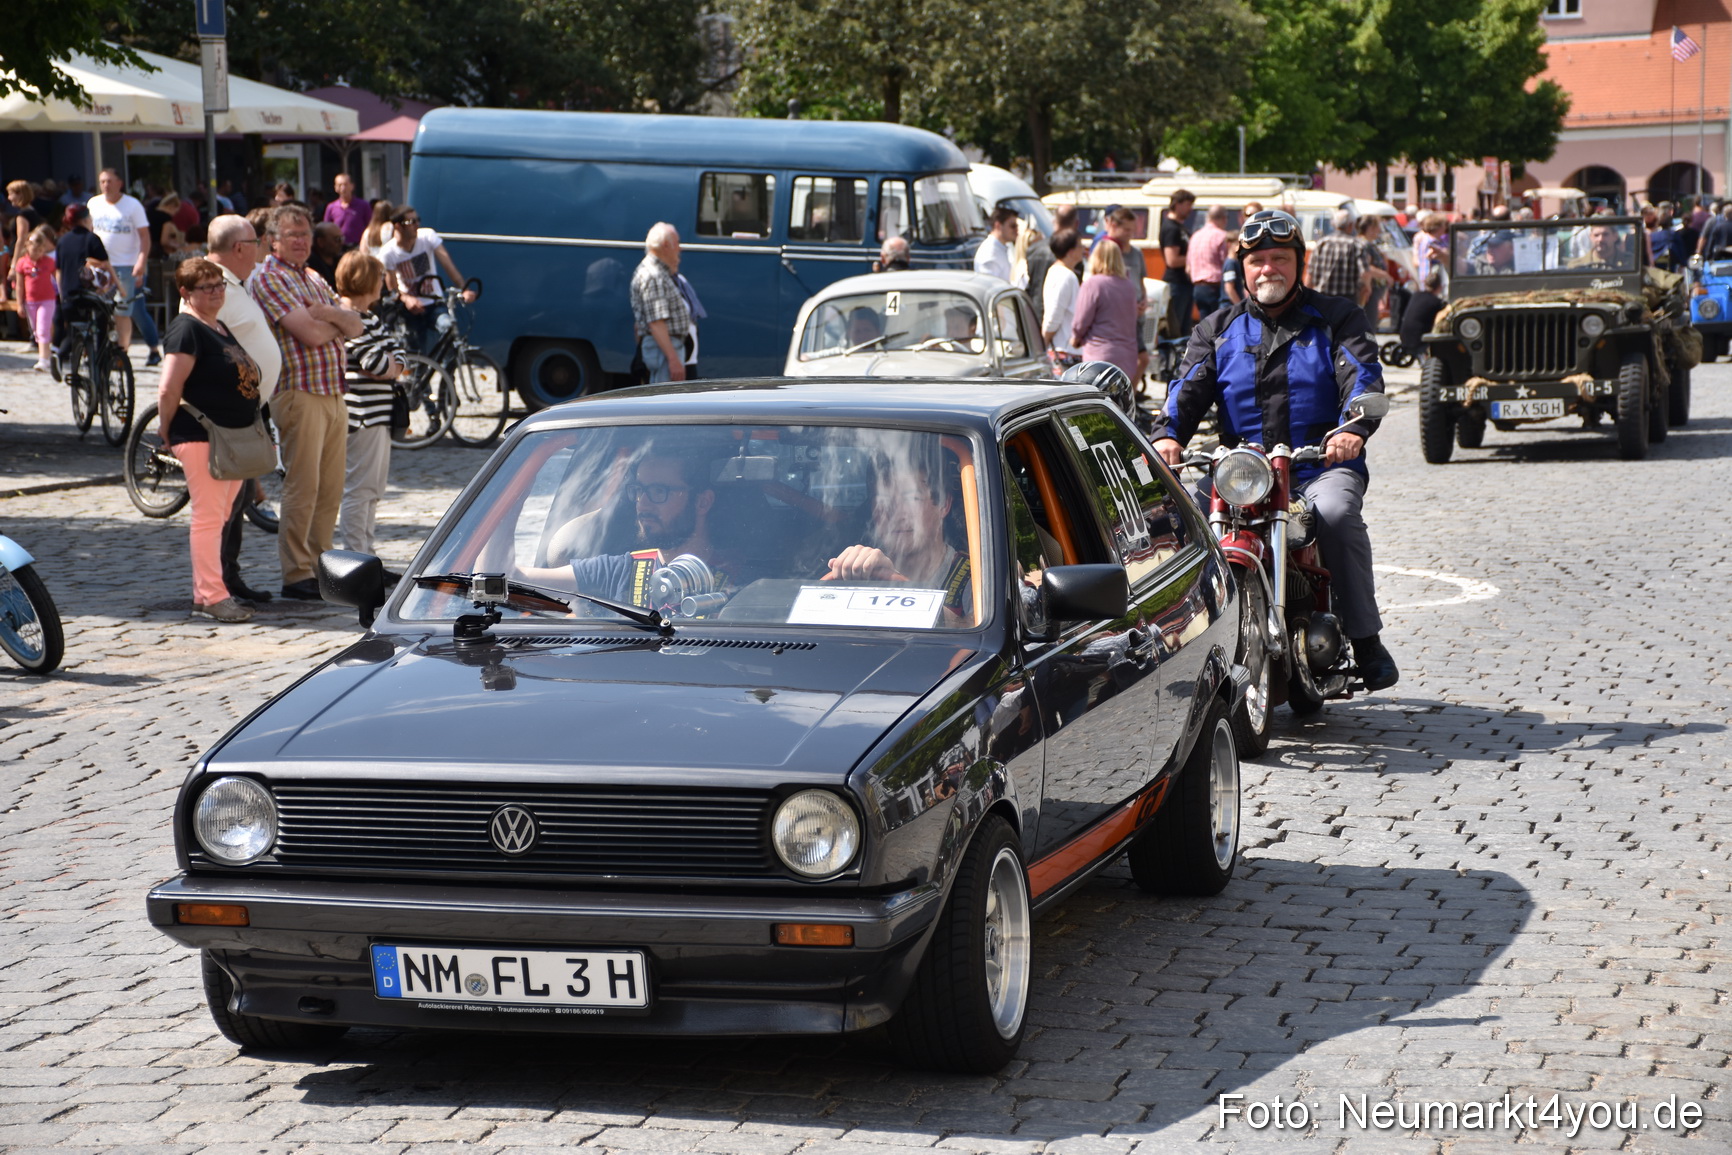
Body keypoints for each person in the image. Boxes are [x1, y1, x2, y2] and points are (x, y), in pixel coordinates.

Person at [1150, 209, 1396, 691]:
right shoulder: (1216, 329)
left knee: (1338, 514)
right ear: (1242, 269)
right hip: (1241, 475)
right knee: (1172, 524)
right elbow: (1186, 389)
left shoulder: (1339, 318)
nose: (1268, 269)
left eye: (1279, 258)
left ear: (1298, 262)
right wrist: (1167, 434)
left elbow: (1362, 378)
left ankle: (1367, 640)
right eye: (1257, 261)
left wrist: (1354, 429)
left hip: (1318, 465)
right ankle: (1171, 645)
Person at [251, 204, 366, 600]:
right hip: (299, 392)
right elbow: (313, 334)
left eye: (306, 235)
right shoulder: (269, 276)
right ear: (272, 241)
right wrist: (331, 320)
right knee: (304, 485)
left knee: (331, 487)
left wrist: (326, 313)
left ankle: (321, 568)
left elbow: (356, 324)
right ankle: (296, 572)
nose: (301, 242)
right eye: (292, 235)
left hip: (332, 391)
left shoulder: (314, 277)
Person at [156, 257, 265, 624]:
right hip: (202, 435)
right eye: (207, 287)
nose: (217, 291)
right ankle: (212, 596)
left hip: (230, 437)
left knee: (220, 516)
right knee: (208, 517)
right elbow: (170, 387)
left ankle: (209, 593)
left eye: (220, 284)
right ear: (186, 292)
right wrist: (165, 430)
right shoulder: (187, 329)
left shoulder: (216, 325)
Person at [199, 215, 284, 606]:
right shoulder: (211, 287)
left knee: (239, 501)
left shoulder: (234, 284)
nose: (262, 249)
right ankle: (219, 586)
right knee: (223, 508)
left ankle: (230, 577)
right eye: (257, 242)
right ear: (238, 247)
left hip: (247, 413)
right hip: (225, 419)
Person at [332, 252, 407, 561]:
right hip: (362, 415)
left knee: (373, 491)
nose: (382, 283)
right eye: (378, 277)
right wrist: (390, 364)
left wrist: (391, 364)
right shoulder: (347, 316)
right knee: (359, 490)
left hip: (379, 414)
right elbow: (375, 361)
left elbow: (398, 356)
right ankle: (355, 558)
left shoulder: (370, 318)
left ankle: (368, 556)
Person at [88, 168, 162, 365]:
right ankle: (99, 351)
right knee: (101, 310)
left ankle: (123, 354)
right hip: (99, 265)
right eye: (102, 181)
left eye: (109, 181)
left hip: (126, 265)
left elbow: (145, 236)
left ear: (120, 183)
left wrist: (141, 262)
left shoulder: (132, 205)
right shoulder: (94, 203)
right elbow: (89, 232)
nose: (105, 185)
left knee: (124, 310)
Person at [379, 204, 474, 355]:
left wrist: (463, 288)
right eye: (412, 222)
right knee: (417, 353)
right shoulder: (388, 252)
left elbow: (448, 264)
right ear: (398, 226)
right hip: (411, 309)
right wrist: (406, 299)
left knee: (449, 330)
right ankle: (420, 376)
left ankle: (446, 375)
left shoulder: (427, 236)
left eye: (418, 220)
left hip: (434, 301)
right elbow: (392, 288)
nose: (417, 225)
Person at [630, 222, 691, 383]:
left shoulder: (655, 272)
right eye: (677, 243)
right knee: (666, 403)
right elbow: (656, 322)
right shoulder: (653, 275)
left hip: (661, 348)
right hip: (663, 349)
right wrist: (673, 359)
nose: (680, 248)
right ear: (666, 246)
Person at [1070, 240, 1138, 380]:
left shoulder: (1093, 284)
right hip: (1127, 356)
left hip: (1099, 355)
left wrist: (1075, 338)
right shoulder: (1128, 286)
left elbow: (1081, 321)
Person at [1041, 227, 1085, 371]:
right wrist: (1043, 344)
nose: (1083, 249)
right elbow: (1054, 315)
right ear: (1070, 251)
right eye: (1080, 246)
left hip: (1064, 349)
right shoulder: (1066, 276)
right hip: (1064, 351)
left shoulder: (1056, 271)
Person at [16, 226, 58, 371]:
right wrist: (19, 304)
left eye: (40, 250)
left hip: (47, 300)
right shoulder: (22, 263)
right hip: (31, 301)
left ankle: (43, 360)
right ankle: (47, 353)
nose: (37, 254)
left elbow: (57, 277)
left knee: (42, 329)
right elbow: (20, 285)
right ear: (27, 246)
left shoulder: (49, 262)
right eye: (34, 250)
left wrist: (61, 293)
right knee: (36, 331)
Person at [1306, 209, 1368, 299]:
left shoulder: (1322, 243)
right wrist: (1366, 288)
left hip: (1322, 298)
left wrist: (1306, 296)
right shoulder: (1356, 245)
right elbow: (1364, 273)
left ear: (1333, 224)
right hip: (1347, 299)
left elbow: (1310, 273)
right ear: (1351, 226)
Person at [1159, 189, 1196, 336]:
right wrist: (1194, 259)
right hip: (1176, 284)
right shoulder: (1171, 228)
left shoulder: (1181, 228)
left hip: (1184, 284)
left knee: (1184, 329)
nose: (1190, 209)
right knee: (1173, 330)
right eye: (1188, 204)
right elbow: (1172, 260)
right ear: (1177, 204)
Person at [1188, 204, 1232, 321]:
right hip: (1215, 287)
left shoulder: (1195, 236)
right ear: (1224, 218)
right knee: (1218, 325)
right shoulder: (1221, 236)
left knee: (1205, 325)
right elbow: (1226, 263)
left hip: (1198, 287)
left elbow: (1188, 267)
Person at [1356, 214, 1393, 331]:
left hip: (1372, 290)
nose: (1379, 230)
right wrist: (1386, 276)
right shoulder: (1364, 244)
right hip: (1369, 290)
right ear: (1371, 228)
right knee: (1369, 322)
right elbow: (1367, 268)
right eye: (1377, 227)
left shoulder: (1368, 243)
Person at [1399, 268, 1446, 359]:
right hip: (1419, 341)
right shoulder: (1437, 302)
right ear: (1440, 287)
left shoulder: (1416, 295)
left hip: (1404, 337)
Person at [323, 173, 369, 249]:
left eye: (346, 184)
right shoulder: (331, 207)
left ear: (352, 186)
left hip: (358, 246)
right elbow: (326, 229)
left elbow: (369, 226)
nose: (343, 188)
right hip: (337, 248)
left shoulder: (363, 205)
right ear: (335, 188)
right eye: (340, 185)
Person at [974, 206, 1019, 284]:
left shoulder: (1000, 248)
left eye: (1017, 226)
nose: (1016, 230)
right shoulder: (990, 251)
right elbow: (988, 286)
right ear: (998, 225)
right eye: (1013, 226)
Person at [1221, 232, 1245, 305]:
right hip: (1229, 305)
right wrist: (1239, 305)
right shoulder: (1230, 264)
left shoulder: (1235, 262)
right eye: (1237, 244)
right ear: (1229, 245)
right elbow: (1229, 288)